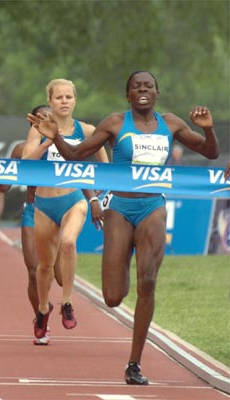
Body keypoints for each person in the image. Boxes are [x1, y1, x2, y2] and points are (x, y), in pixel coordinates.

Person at [28, 71, 219, 385]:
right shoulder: (114, 123)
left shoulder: (170, 123)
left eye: (148, 86)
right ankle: (126, 259)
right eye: (136, 86)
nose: (142, 89)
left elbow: (210, 152)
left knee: (148, 281)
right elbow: (76, 155)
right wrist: (55, 137)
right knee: (114, 296)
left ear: (156, 92)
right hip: (119, 208)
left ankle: (134, 363)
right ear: (127, 95)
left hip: (153, 206)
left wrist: (208, 130)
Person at [22, 79, 107, 345]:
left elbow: (105, 166)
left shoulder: (87, 130)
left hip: (74, 200)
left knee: (69, 243)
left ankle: (67, 302)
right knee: (45, 267)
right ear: (50, 101)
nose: (64, 101)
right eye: (59, 97)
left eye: (69, 97)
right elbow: (25, 164)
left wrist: (96, 198)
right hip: (44, 204)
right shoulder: (38, 129)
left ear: (75, 100)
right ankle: (44, 309)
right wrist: (48, 141)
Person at [0, 105, 56, 345]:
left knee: (61, 277)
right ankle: (40, 317)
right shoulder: (21, 149)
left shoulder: (63, 145)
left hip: (58, 211)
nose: (46, 119)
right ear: (33, 122)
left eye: (49, 115)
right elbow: (6, 184)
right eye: (41, 116)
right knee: (33, 271)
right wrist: (2, 181)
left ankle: (57, 302)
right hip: (33, 210)